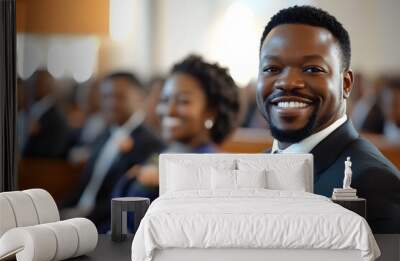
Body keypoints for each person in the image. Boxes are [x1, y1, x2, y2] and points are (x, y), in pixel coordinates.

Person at [256, 6, 400, 233]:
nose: (288, 82)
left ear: (346, 83)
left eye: (312, 69)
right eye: (272, 68)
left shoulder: (373, 182)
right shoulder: (257, 165)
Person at [112, 55, 240, 202]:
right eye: (165, 100)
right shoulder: (165, 152)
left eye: (183, 101)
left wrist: (164, 183)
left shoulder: (215, 169)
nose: (169, 111)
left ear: (211, 111)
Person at [61, 72, 164, 232]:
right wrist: (60, 211)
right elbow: (85, 185)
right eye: (106, 97)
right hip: (78, 215)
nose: (110, 103)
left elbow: (126, 200)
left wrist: (80, 219)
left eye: (118, 97)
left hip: (104, 226)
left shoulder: (150, 143)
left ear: (139, 98)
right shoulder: (105, 134)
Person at [22, 70, 70, 158]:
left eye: (38, 83)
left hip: (42, 166)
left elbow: (55, 150)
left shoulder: (56, 116)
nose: (33, 87)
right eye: (33, 83)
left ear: (49, 86)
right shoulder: (34, 109)